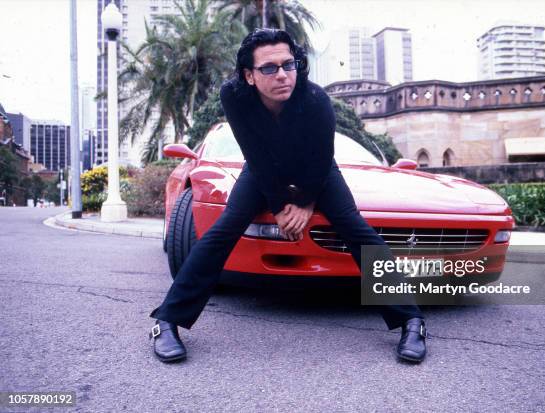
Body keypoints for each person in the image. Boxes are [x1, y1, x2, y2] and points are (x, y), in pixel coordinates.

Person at [149, 29, 428, 363]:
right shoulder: (233, 96)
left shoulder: (316, 100)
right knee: (225, 228)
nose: (282, 74)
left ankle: (411, 321)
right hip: (262, 167)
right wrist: (281, 206)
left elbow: (322, 159)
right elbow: (255, 153)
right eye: (269, 68)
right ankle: (167, 321)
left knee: (355, 228)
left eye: (288, 64)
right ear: (249, 76)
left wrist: (305, 203)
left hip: (318, 171)